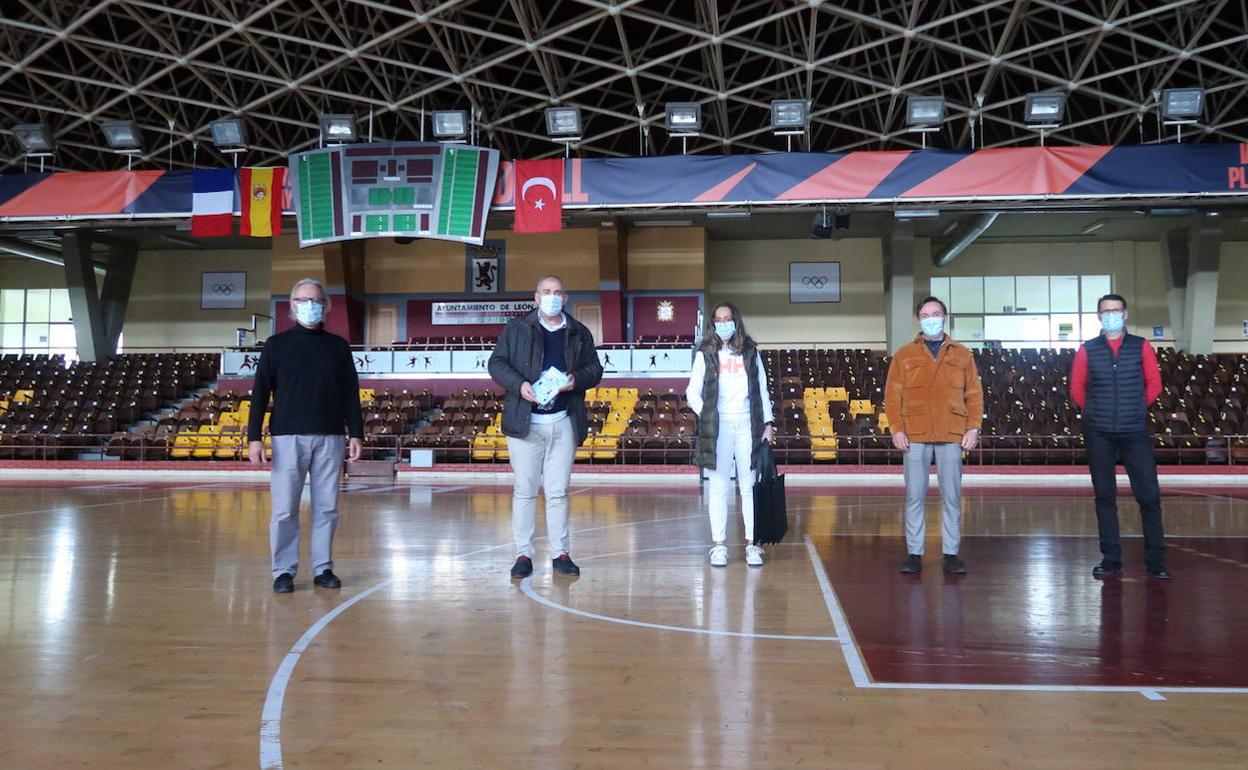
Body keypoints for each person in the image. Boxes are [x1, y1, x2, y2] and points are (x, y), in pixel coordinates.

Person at [248, 278, 363, 594]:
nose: (309, 305)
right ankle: (283, 571)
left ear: (325, 306)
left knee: (327, 508)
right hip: (287, 437)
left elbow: (350, 393)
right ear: (292, 305)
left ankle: (323, 567)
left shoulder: (338, 347)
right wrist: (254, 437)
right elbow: (260, 393)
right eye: (302, 299)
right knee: (285, 510)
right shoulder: (276, 346)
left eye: (315, 300)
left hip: (330, 437)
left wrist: (356, 432)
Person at [488, 275, 603, 579]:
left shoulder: (579, 332)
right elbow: (496, 364)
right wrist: (520, 384)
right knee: (524, 490)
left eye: (558, 293)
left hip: (563, 422)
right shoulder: (516, 329)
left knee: (558, 491)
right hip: (526, 423)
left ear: (565, 298)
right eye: (546, 292)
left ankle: (560, 553)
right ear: (536, 298)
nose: (552, 297)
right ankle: (523, 554)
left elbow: (595, 369)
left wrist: (576, 379)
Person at [1070, 294, 1171, 579]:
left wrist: (1136, 408)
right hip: (1098, 432)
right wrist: (1094, 412)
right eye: (1105, 311)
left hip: (1134, 431)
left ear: (1125, 314)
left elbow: (1155, 384)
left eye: (1115, 310)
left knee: (1149, 496)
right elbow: (1077, 388)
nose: (1110, 315)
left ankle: (1156, 562)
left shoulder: (1141, 347)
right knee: (1104, 497)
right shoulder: (1087, 350)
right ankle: (1111, 559)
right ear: (1099, 316)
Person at [883, 296, 983, 575]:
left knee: (952, 496)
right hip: (914, 435)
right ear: (919, 319)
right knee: (915, 496)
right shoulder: (904, 355)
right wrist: (896, 429)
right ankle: (914, 552)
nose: (931, 318)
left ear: (945, 316)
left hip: (952, 433)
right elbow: (892, 397)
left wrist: (973, 427)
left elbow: (974, 395)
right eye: (925, 315)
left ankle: (951, 553)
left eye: (935, 313)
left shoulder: (963, 355)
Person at [686, 303, 775, 568]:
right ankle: (719, 546)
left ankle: (752, 544)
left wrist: (768, 424)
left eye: (728, 319)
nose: (723, 323)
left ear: (736, 321)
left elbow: (763, 390)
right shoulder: (705, 353)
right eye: (719, 319)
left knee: (749, 487)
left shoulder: (750, 352)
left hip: (748, 425)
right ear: (713, 324)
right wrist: (709, 414)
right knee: (719, 487)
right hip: (718, 428)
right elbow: (692, 392)